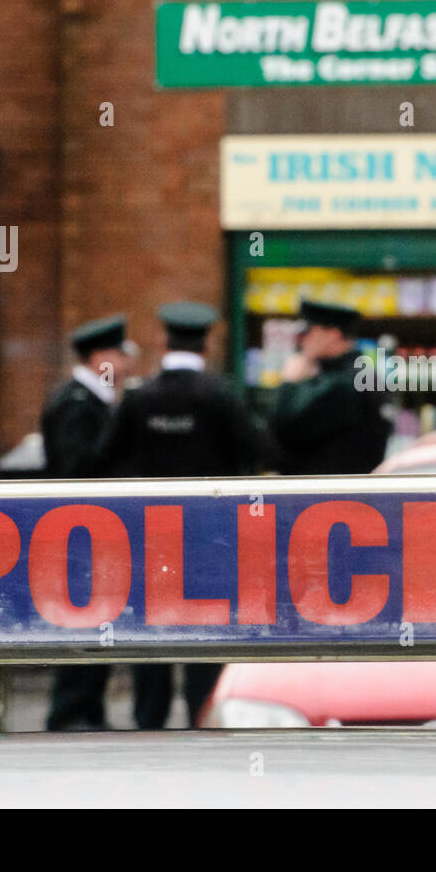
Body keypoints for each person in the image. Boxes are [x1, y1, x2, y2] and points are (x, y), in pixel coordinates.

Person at [94, 301, 265, 728]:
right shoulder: (221, 396)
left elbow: (102, 459)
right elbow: (263, 451)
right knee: (206, 635)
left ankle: (149, 725)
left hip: (150, 540)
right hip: (213, 540)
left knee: (152, 634)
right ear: (206, 342)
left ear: (163, 340)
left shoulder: (138, 399)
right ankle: (203, 719)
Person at [41, 313, 130, 731]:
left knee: (99, 620)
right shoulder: (76, 404)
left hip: (93, 532)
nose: (126, 361)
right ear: (100, 357)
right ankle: (72, 711)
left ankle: (86, 709)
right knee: (84, 619)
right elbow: (77, 468)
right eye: (118, 353)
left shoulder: (93, 400)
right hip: (80, 535)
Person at [270, 299, 391, 475]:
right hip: (337, 491)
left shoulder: (346, 382)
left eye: (309, 331)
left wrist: (290, 382)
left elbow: (283, 427)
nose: (303, 339)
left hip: (327, 494)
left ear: (333, 334)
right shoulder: (357, 373)